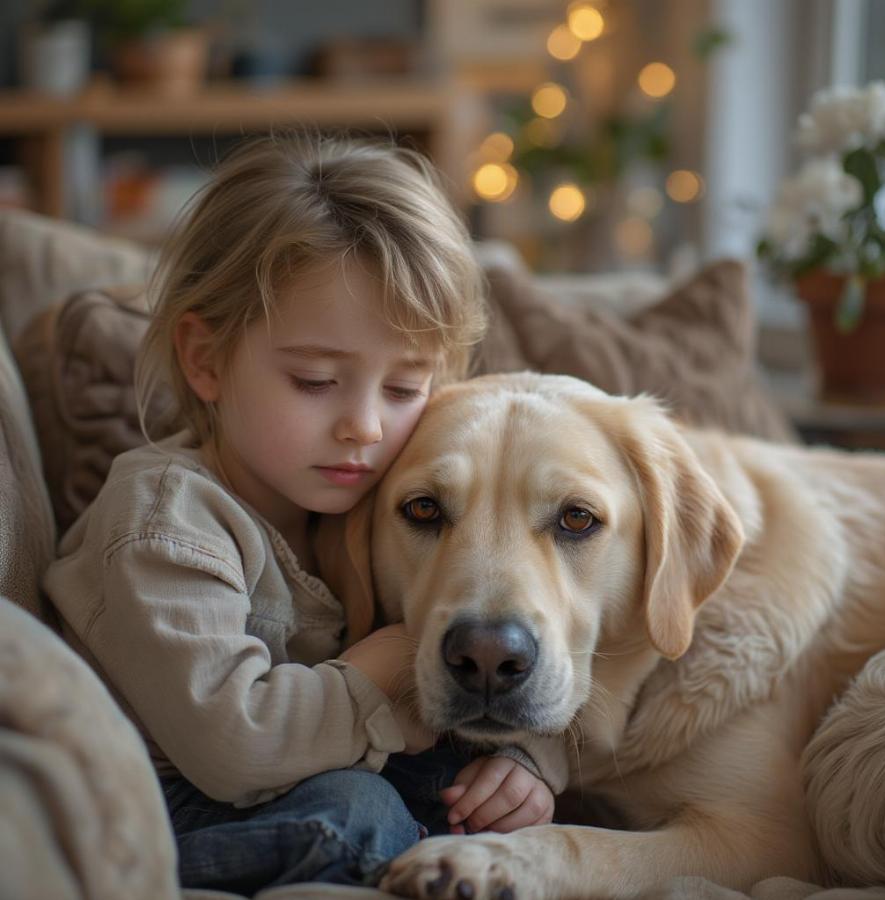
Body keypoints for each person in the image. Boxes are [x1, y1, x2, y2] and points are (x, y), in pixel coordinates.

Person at [43, 133, 564, 897]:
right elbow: (236, 743)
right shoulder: (163, 519)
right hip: (169, 801)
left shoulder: (366, 502)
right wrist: (388, 662)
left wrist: (524, 767)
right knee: (358, 810)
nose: (365, 427)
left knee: (472, 784)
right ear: (207, 359)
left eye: (402, 389)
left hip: (303, 765)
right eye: (316, 381)